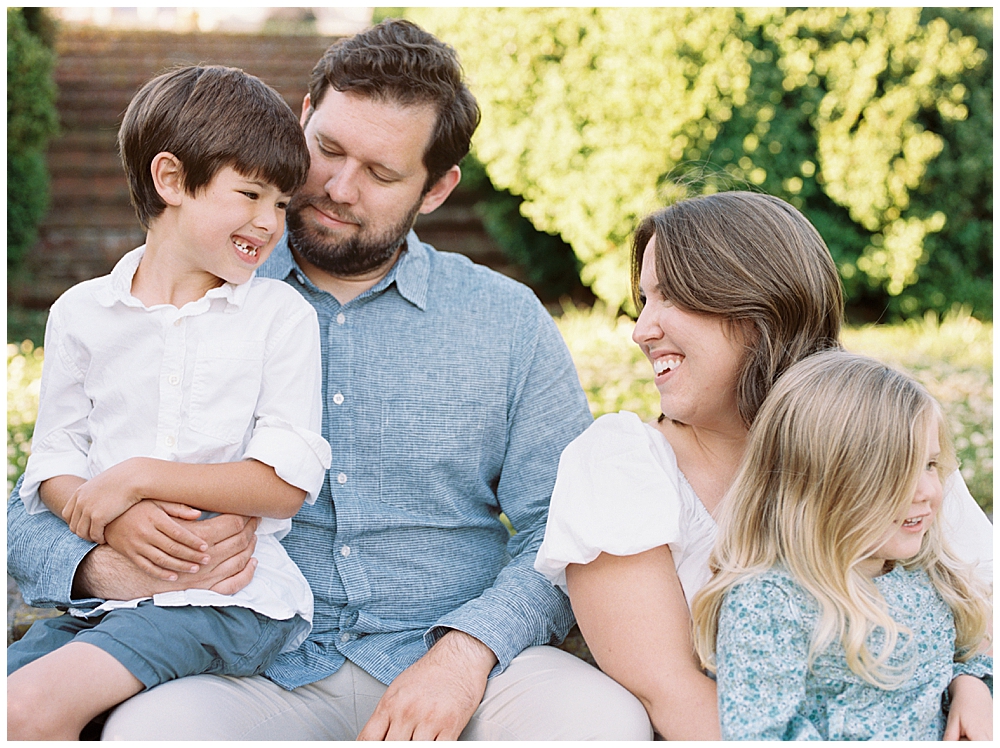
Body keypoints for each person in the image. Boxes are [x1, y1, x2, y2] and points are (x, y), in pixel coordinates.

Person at [6, 19, 652, 740]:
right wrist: (105, 564)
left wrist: (467, 654)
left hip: (459, 662)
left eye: (380, 174)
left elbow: (561, 527)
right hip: (248, 664)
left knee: (598, 721)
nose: (338, 188)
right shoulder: (178, 297)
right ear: (303, 117)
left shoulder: (504, 320)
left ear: (436, 189)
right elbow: (33, 507)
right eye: (329, 150)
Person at [534, 191, 994, 739]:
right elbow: (672, 692)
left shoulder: (881, 437)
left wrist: (975, 681)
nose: (641, 329)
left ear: (763, 306)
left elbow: (978, 598)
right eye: (643, 301)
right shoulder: (620, 465)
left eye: (672, 298)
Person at [6, 65, 332, 740]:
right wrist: (110, 522)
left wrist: (136, 480)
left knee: (29, 708)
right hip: (108, 604)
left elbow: (284, 484)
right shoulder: (80, 315)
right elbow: (53, 465)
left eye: (280, 202)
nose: (270, 223)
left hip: (227, 603)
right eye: (249, 194)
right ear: (172, 180)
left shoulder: (279, 316)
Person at [691, 351, 993, 740]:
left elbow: (967, 648)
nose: (929, 491)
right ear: (824, 484)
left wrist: (971, 686)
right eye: (897, 471)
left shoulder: (920, 567)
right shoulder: (771, 601)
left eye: (930, 465)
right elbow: (764, 733)